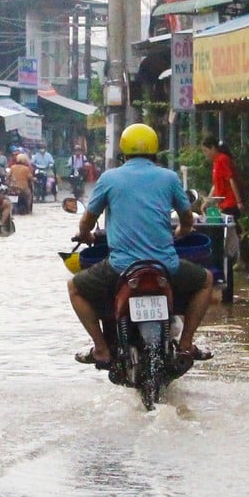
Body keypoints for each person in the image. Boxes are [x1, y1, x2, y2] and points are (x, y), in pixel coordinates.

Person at [68, 122, 214, 367]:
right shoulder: (168, 177)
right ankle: (186, 343)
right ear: (154, 151)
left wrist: (85, 235)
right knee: (206, 280)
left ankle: (102, 349)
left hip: (120, 268)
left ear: (123, 152)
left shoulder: (110, 178)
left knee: (74, 287)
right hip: (166, 267)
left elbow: (88, 220)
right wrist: (182, 231)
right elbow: (187, 217)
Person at [202, 136, 244, 218]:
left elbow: (231, 179)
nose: (205, 154)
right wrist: (207, 202)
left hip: (230, 202)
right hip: (222, 204)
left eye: (206, 151)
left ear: (213, 148)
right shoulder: (215, 162)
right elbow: (215, 185)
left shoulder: (223, 159)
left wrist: (239, 201)